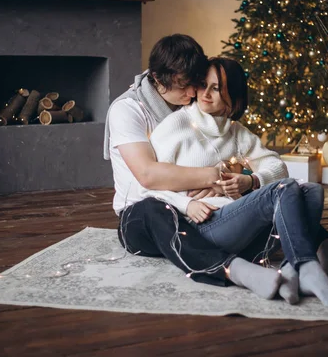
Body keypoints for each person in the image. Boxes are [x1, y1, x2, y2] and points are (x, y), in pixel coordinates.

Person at [140, 57, 328, 307]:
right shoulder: (175, 126)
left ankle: (295, 268)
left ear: (232, 96)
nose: (205, 93)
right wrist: (184, 203)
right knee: (286, 189)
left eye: (216, 88)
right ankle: (310, 265)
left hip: (237, 222)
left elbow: (277, 166)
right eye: (203, 84)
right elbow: (147, 187)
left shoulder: (235, 132)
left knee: (311, 190)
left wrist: (251, 181)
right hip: (201, 228)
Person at [104, 34, 282, 298]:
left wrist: (237, 181)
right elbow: (148, 176)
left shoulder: (191, 107)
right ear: (157, 78)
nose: (192, 94)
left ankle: (319, 251)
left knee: (270, 201)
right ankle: (230, 269)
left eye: (194, 83)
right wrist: (212, 177)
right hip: (142, 216)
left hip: (198, 214)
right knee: (155, 210)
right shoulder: (128, 110)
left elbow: (229, 150)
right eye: (183, 87)